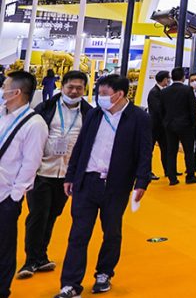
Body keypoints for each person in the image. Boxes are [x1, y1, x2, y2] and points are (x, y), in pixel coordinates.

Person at [56, 74, 152, 298]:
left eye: (105, 94)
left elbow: (144, 151)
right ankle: (70, 284)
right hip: (87, 182)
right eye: (99, 93)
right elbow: (81, 146)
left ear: (119, 94)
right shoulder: (94, 114)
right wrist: (71, 176)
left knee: (111, 232)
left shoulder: (139, 118)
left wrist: (142, 181)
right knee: (78, 234)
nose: (100, 97)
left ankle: (104, 273)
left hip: (116, 185)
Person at [18, 71, 91, 281]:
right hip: (41, 171)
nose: (74, 91)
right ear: (62, 86)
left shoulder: (89, 113)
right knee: (37, 215)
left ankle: (41, 256)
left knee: (52, 214)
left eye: (79, 88)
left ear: (84, 89)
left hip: (67, 175)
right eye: (70, 87)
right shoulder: (45, 108)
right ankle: (31, 260)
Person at [0, 71, 48, 298]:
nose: (2, 90)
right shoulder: (3, 114)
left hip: (6, 196)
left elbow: (31, 163)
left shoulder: (35, 124)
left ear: (16, 92)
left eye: (5, 86)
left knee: (3, 248)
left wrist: (15, 197)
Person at [160, 67, 196, 185]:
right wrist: (192, 123)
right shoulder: (188, 90)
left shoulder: (164, 91)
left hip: (170, 125)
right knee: (189, 151)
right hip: (186, 125)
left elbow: (161, 110)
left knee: (171, 152)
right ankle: (190, 176)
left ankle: (172, 178)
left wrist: (165, 122)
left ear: (172, 77)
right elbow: (193, 109)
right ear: (183, 77)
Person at [146, 71, 171, 181]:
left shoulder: (162, 91)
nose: (169, 80)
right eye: (168, 78)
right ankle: (147, 172)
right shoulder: (154, 92)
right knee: (149, 150)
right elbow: (157, 110)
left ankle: (168, 170)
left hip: (162, 127)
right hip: (154, 126)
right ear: (164, 79)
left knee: (166, 149)